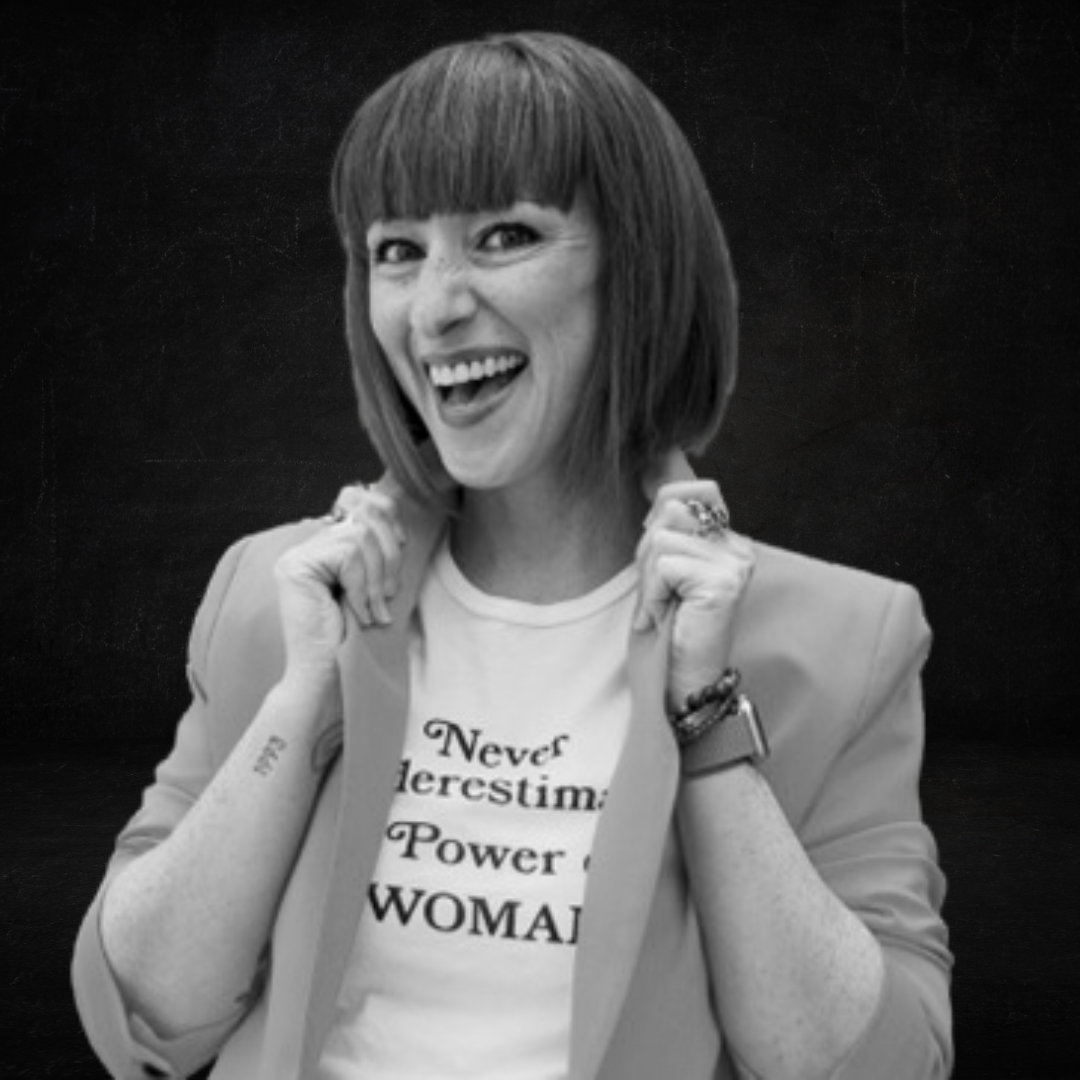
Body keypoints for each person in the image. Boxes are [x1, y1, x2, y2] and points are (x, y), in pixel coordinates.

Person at [72, 31, 952, 1080]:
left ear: (639, 268)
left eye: (503, 236)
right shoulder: (276, 596)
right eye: (397, 251)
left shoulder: (843, 638)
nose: (435, 307)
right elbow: (141, 1021)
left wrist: (708, 717)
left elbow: (881, 1065)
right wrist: (300, 703)